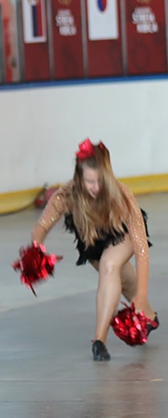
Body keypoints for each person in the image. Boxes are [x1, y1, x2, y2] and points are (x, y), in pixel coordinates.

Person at [31, 139, 158, 361]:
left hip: (123, 235)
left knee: (110, 266)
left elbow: (141, 251)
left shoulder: (120, 196)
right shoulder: (67, 196)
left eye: (100, 181)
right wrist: (36, 250)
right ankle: (149, 316)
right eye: (89, 181)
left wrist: (143, 294)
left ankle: (99, 341)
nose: (95, 187)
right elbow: (41, 226)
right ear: (79, 178)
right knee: (123, 280)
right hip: (94, 243)